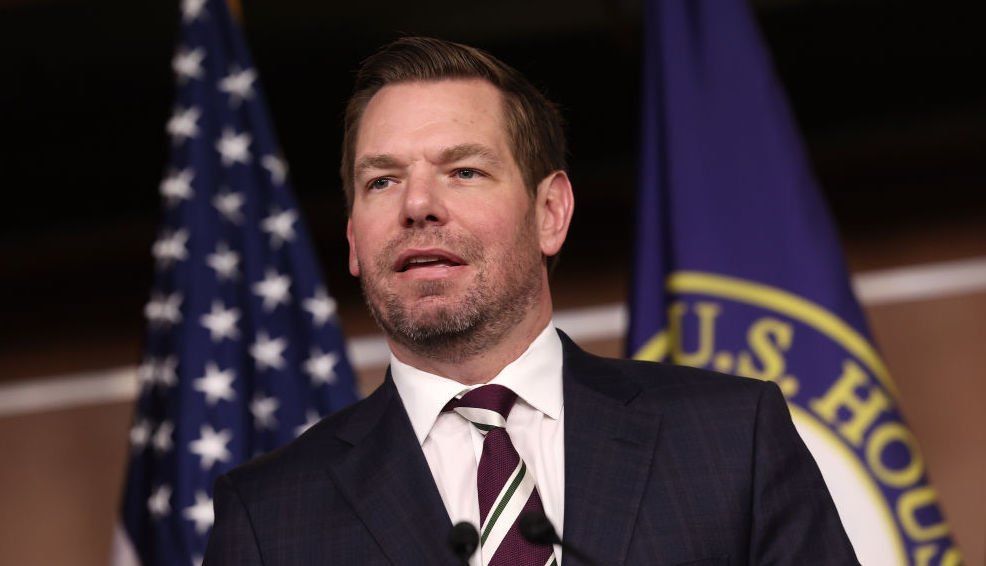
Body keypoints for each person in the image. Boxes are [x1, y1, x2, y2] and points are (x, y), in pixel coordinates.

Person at [204, 37, 858, 565]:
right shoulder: (268, 515)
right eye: (382, 181)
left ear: (550, 213)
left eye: (463, 171)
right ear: (353, 238)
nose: (417, 205)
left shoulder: (729, 439)